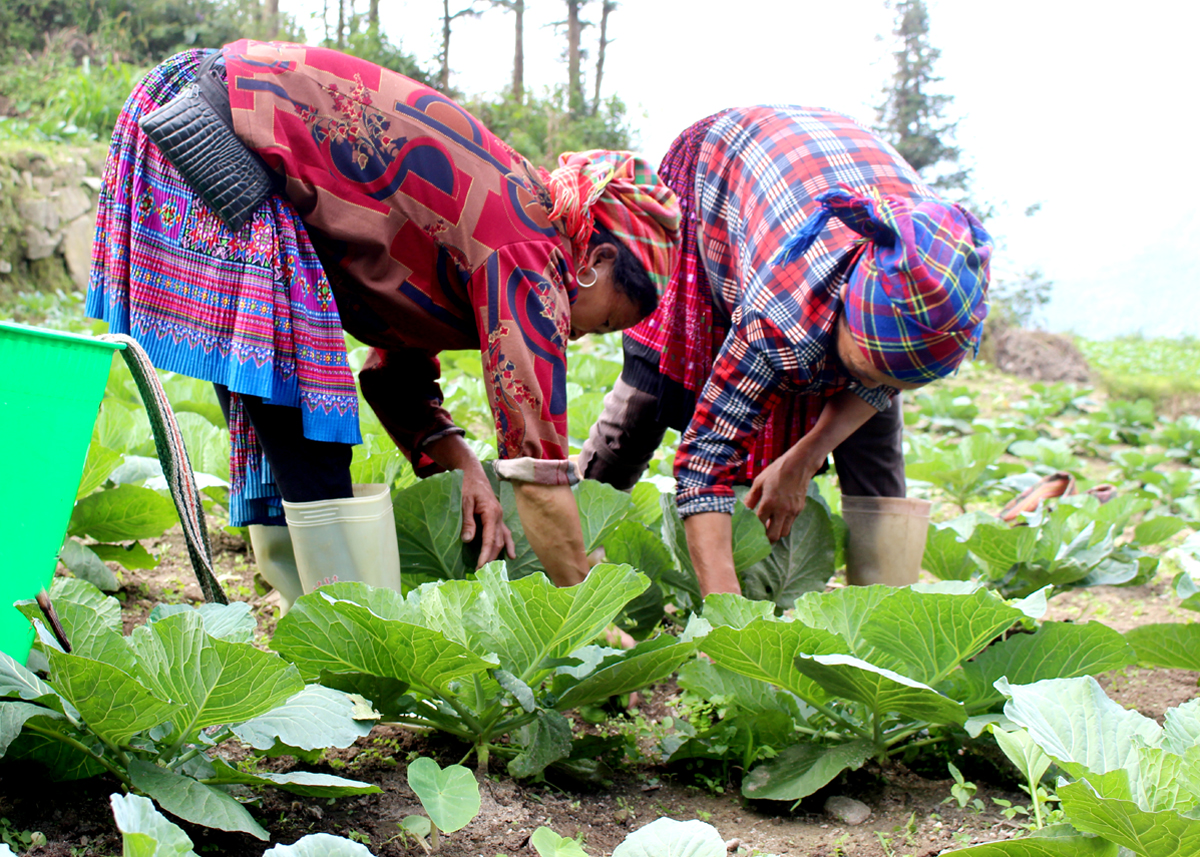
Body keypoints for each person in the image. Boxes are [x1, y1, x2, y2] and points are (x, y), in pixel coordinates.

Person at [87, 41, 680, 600]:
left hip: (216, 116)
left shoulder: (515, 224)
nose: (579, 335)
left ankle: (322, 620)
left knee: (288, 403)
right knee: (303, 403)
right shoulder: (528, 251)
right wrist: (586, 605)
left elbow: (396, 375)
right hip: (220, 124)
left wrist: (465, 467)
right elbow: (539, 472)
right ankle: (345, 634)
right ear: (597, 262)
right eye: (605, 323)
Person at [578, 106, 991, 597]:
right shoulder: (778, 314)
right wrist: (730, 623)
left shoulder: (942, 278)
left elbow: (879, 377)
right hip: (725, 166)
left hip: (827, 169)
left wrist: (805, 455)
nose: (871, 383)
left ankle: (883, 616)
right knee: (656, 382)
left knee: (875, 442)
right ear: (842, 311)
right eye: (863, 366)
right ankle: (573, 548)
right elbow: (703, 463)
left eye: (896, 378)